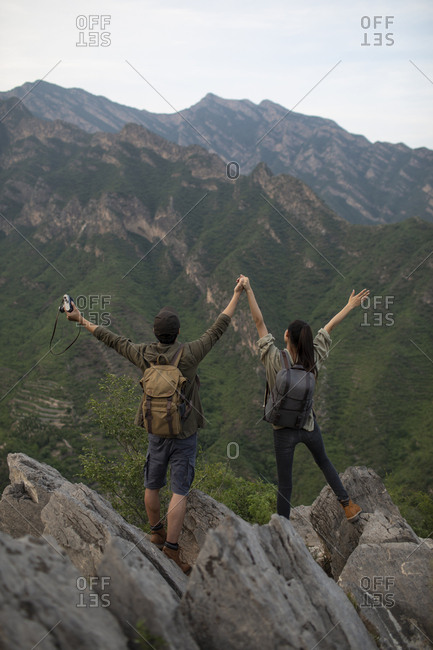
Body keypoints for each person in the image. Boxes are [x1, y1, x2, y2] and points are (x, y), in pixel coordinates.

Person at [66, 280, 243, 573]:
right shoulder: (189, 354)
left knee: (153, 482)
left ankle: (155, 532)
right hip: (184, 433)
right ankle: (172, 551)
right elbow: (219, 327)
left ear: (154, 333)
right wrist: (236, 294)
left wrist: (80, 318)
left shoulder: (144, 353)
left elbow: (111, 339)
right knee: (179, 490)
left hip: (155, 431)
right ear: (177, 334)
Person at [239, 274, 369, 522]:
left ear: (286, 335)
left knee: (285, 484)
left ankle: (283, 529)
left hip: (282, 429)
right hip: (307, 425)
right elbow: (329, 327)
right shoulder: (314, 359)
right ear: (308, 341)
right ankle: (347, 506)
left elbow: (258, 321)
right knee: (324, 462)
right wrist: (350, 306)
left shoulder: (274, 359)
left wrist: (248, 289)